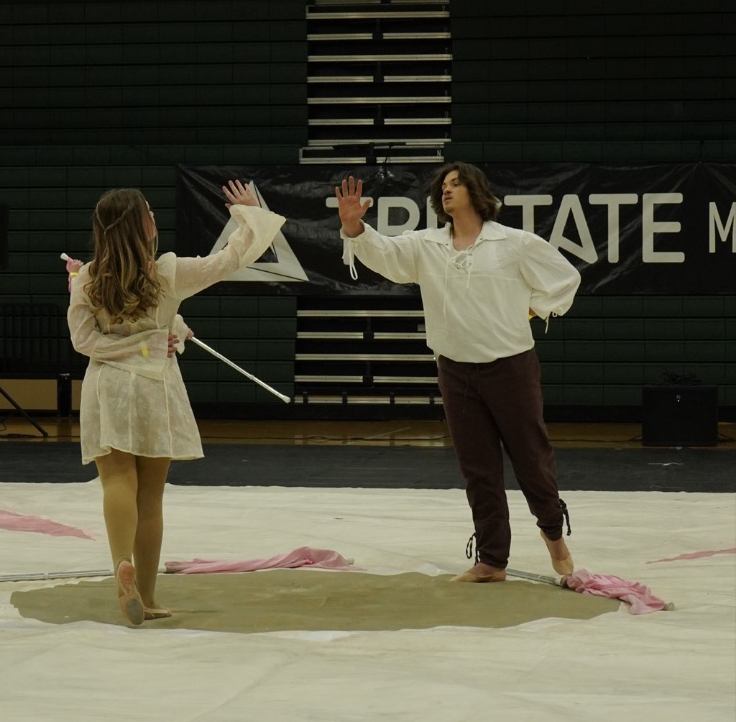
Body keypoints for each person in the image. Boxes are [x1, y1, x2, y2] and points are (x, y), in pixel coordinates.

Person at [335, 163, 581, 582]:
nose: (447, 190)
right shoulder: (426, 244)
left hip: (510, 366)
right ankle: (492, 559)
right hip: (455, 369)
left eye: (455, 183)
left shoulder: (515, 243)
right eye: (443, 186)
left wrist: (531, 309)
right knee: (478, 468)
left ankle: (553, 533)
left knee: (531, 460)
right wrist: (354, 227)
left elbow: (564, 280)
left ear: (475, 190)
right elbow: (386, 255)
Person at [68, 180, 285, 624]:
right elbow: (231, 258)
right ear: (140, 225)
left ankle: (121, 566)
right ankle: (147, 596)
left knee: (116, 481)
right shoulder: (167, 273)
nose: (154, 216)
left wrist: (139, 342)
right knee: (151, 496)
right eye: (148, 211)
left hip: (107, 388)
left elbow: (83, 340)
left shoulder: (86, 279)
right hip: (154, 387)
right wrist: (249, 213)